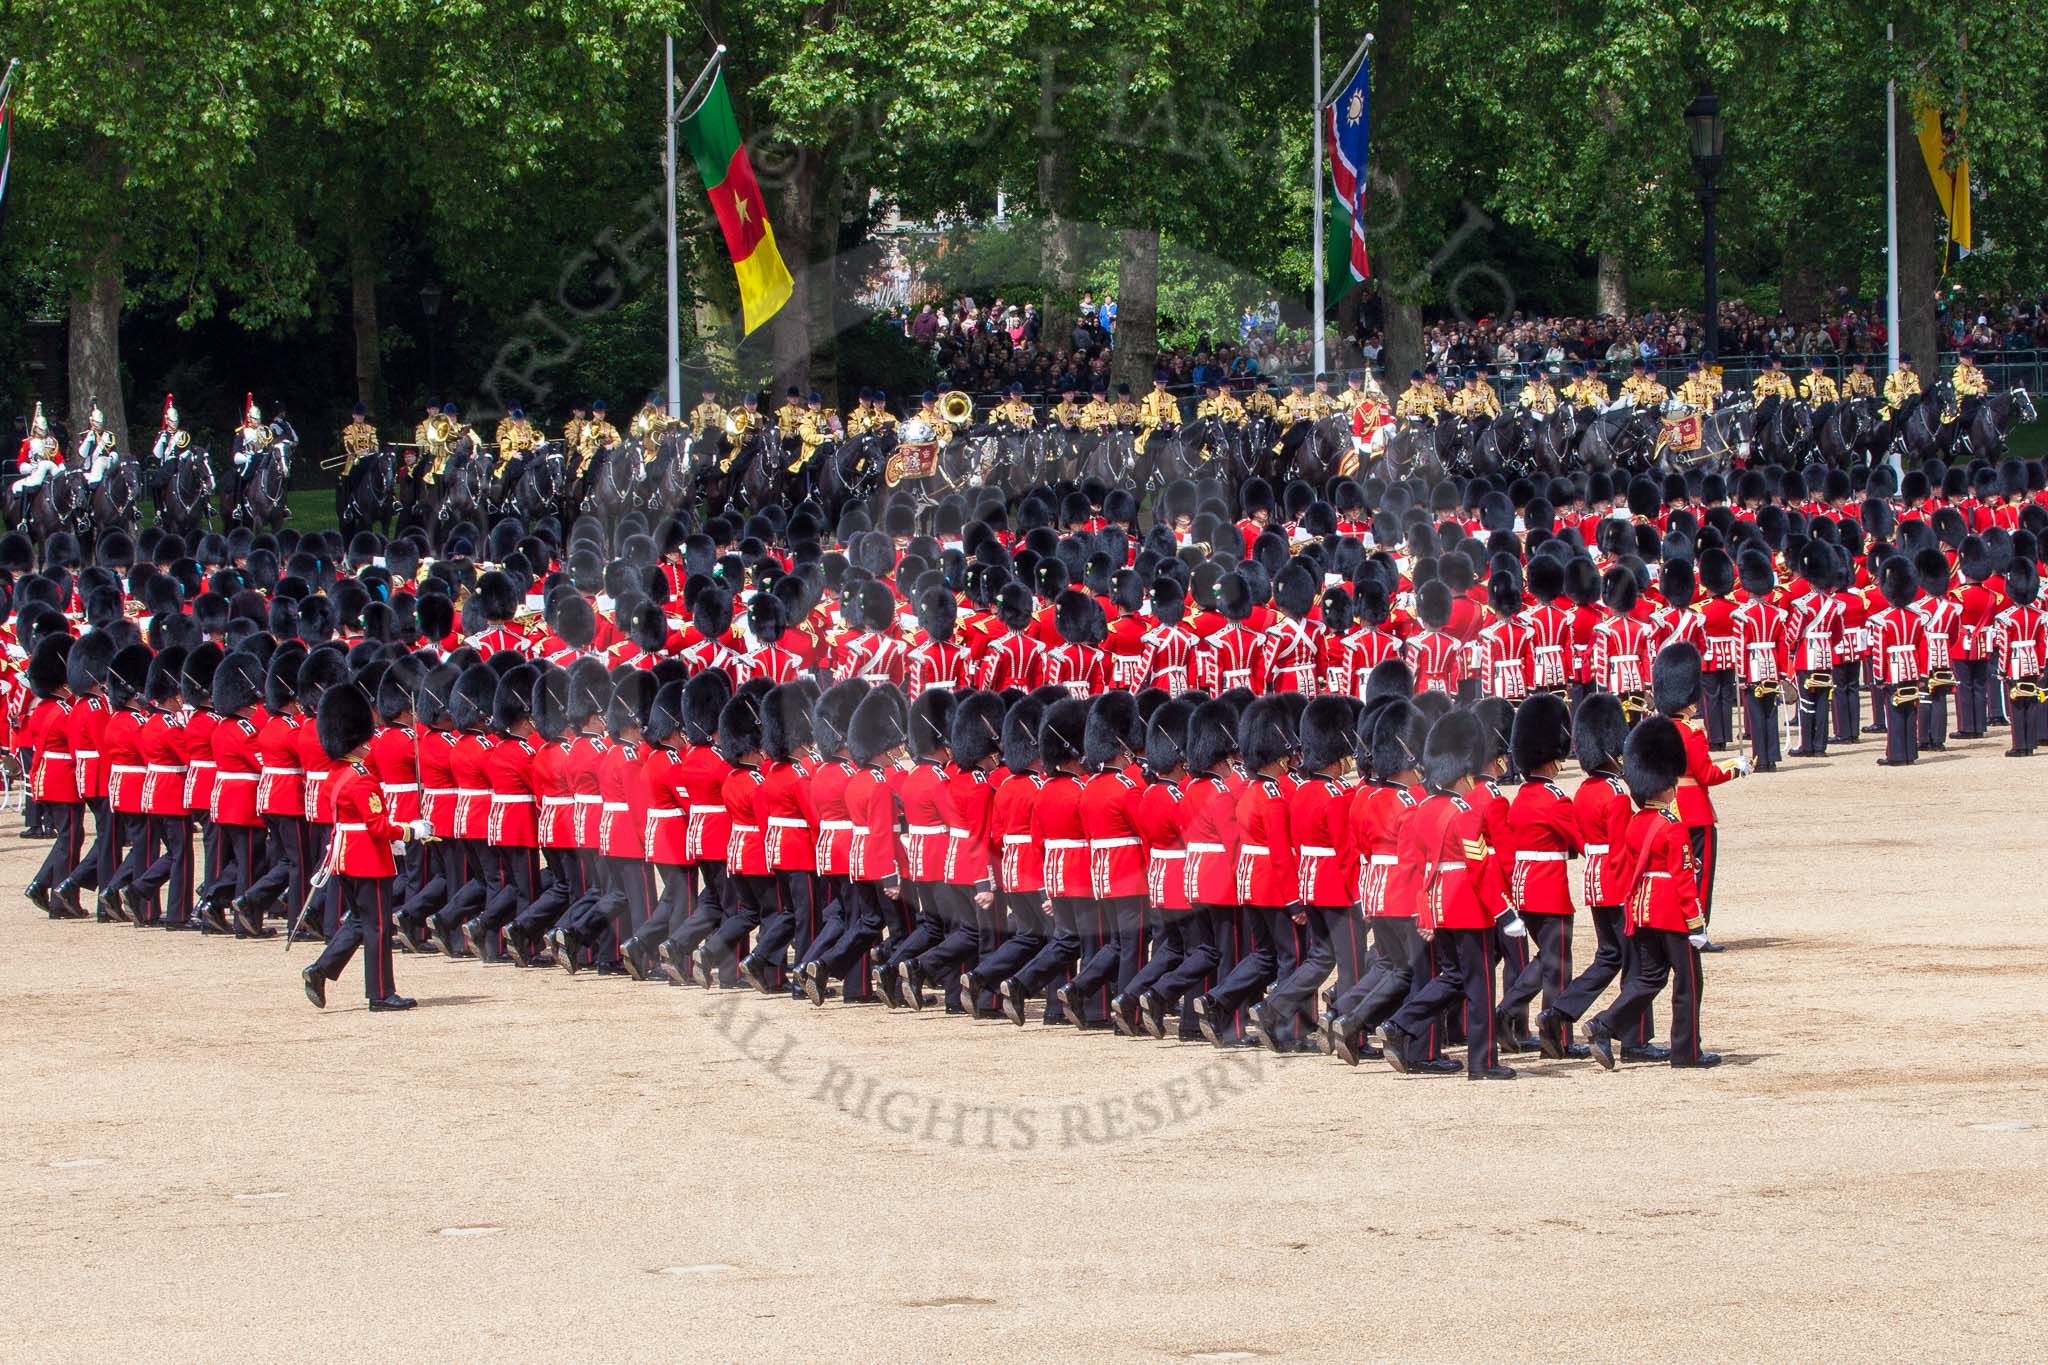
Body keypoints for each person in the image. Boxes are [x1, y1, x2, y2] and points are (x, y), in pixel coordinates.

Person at [1581, 715, 1718, 1069]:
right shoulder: (1673, 827)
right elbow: (1683, 878)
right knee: (1688, 981)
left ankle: (1604, 1024)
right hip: (1671, 911)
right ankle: (1687, 1051)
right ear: (1666, 786)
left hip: (1642, 909)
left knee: (1649, 978)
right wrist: (1697, 925)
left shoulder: (1637, 820)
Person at [301, 683, 433, 1011]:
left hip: (345, 855)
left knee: (359, 921)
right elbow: (378, 827)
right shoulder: (361, 778)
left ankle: (321, 969)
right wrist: (411, 830)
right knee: (376, 925)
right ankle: (380, 993)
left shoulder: (337, 773)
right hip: (367, 858)